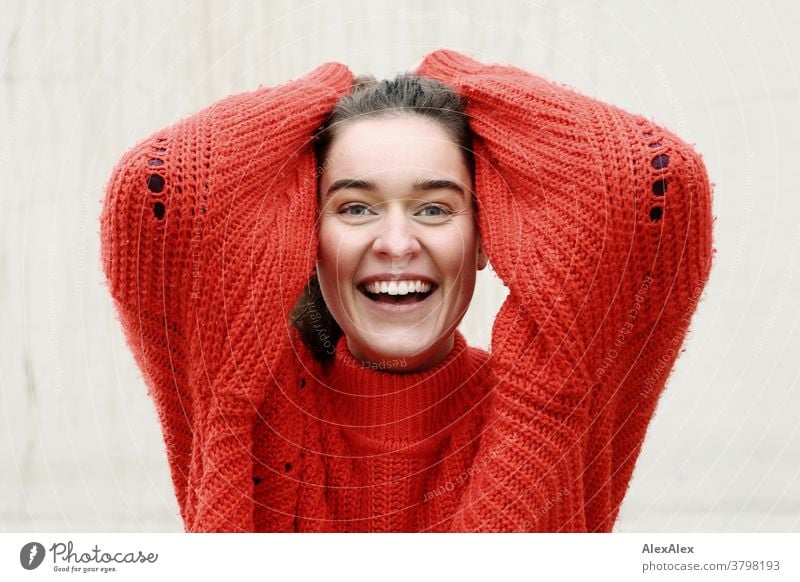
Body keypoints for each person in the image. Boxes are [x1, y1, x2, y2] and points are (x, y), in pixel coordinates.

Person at [100, 49, 714, 532]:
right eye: (357, 207)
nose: (396, 242)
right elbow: (158, 190)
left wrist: (460, 80)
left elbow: (658, 183)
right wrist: (329, 91)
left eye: (435, 208)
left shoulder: (554, 397)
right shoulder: (248, 400)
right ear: (307, 239)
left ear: (484, 239)